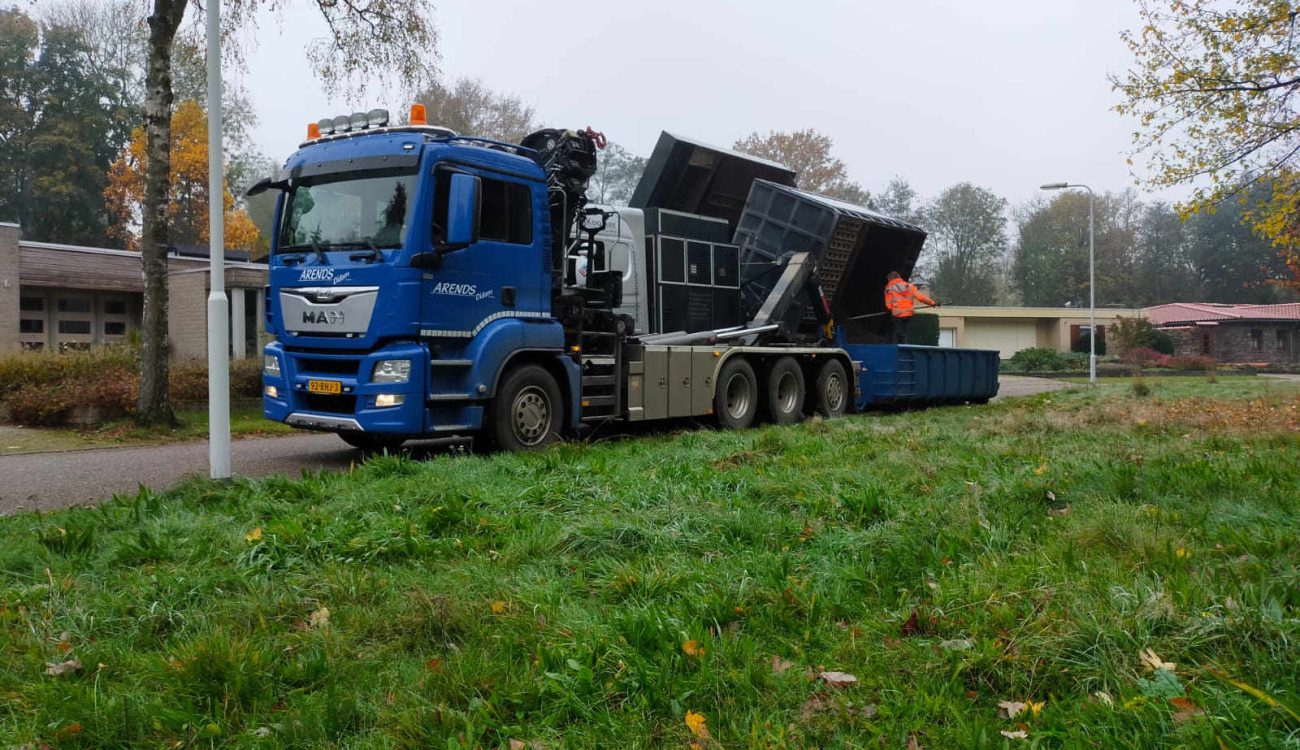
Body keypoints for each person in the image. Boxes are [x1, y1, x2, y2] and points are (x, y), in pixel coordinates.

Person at [883, 271, 938, 344]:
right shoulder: (909, 286)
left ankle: (898, 347)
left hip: (897, 314)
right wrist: (932, 303)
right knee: (902, 330)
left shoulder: (889, 289)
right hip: (909, 313)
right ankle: (904, 345)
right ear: (899, 277)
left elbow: (888, 305)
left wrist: (891, 308)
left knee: (897, 332)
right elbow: (920, 297)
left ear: (890, 279)